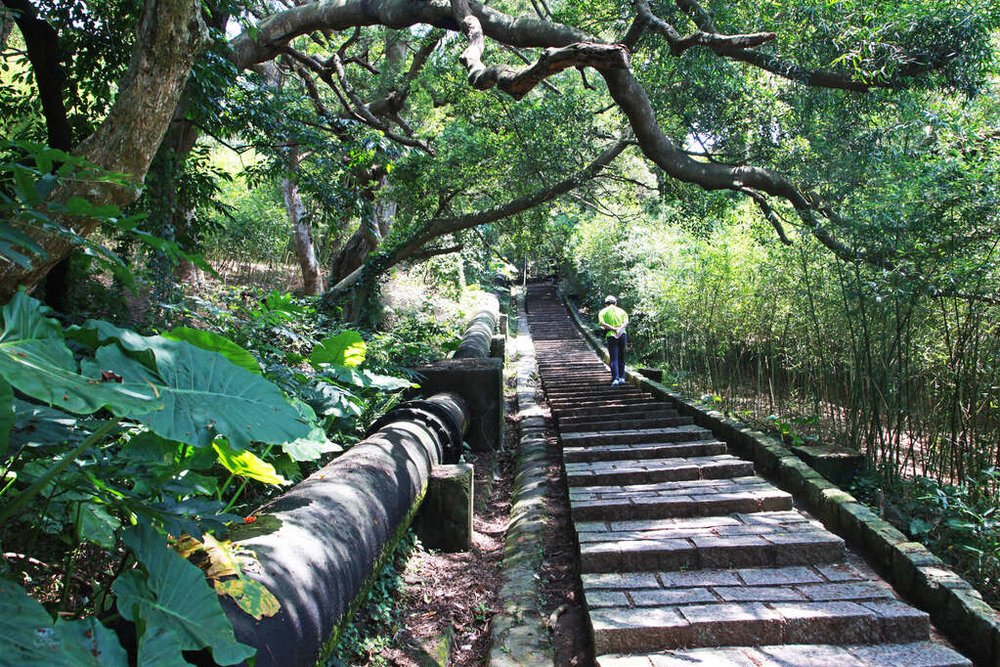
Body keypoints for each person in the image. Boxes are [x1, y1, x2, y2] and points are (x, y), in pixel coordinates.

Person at [598, 295, 628, 385]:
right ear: (615, 303)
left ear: (606, 303)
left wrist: (614, 329)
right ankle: (622, 378)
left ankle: (615, 379)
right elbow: (626, 322)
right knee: (622, 356)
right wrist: (619, 329)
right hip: (622, 334)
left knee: (614, 358)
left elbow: (602, 323)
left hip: (611, 335)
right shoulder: (622, 311)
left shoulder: (603, 311)